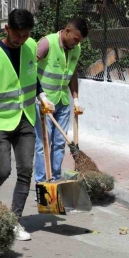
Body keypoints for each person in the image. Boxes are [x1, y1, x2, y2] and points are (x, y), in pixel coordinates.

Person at [0, 9, 55, 241]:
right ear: (7, 29)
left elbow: (31, 77)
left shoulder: (30, 47)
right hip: (0, 122)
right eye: (17, 34)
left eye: (26, 35)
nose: (21, 40)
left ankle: (14, 222)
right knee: (4, 170)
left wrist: (42, 95)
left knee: (26, 170)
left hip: (26, 118)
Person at [34, 17, 88, 183]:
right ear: (67, 31)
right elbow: (28, 68)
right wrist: (40, 95)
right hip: (44, 103)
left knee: (59, 143)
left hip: (63, 101)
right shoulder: (46, 43)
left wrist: (76, 99)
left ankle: (55, 179)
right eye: (75, 39)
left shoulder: (76, 48)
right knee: (43, 143)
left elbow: (72, 73)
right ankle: (42, 182)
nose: (77, 43)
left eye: (80, 41)